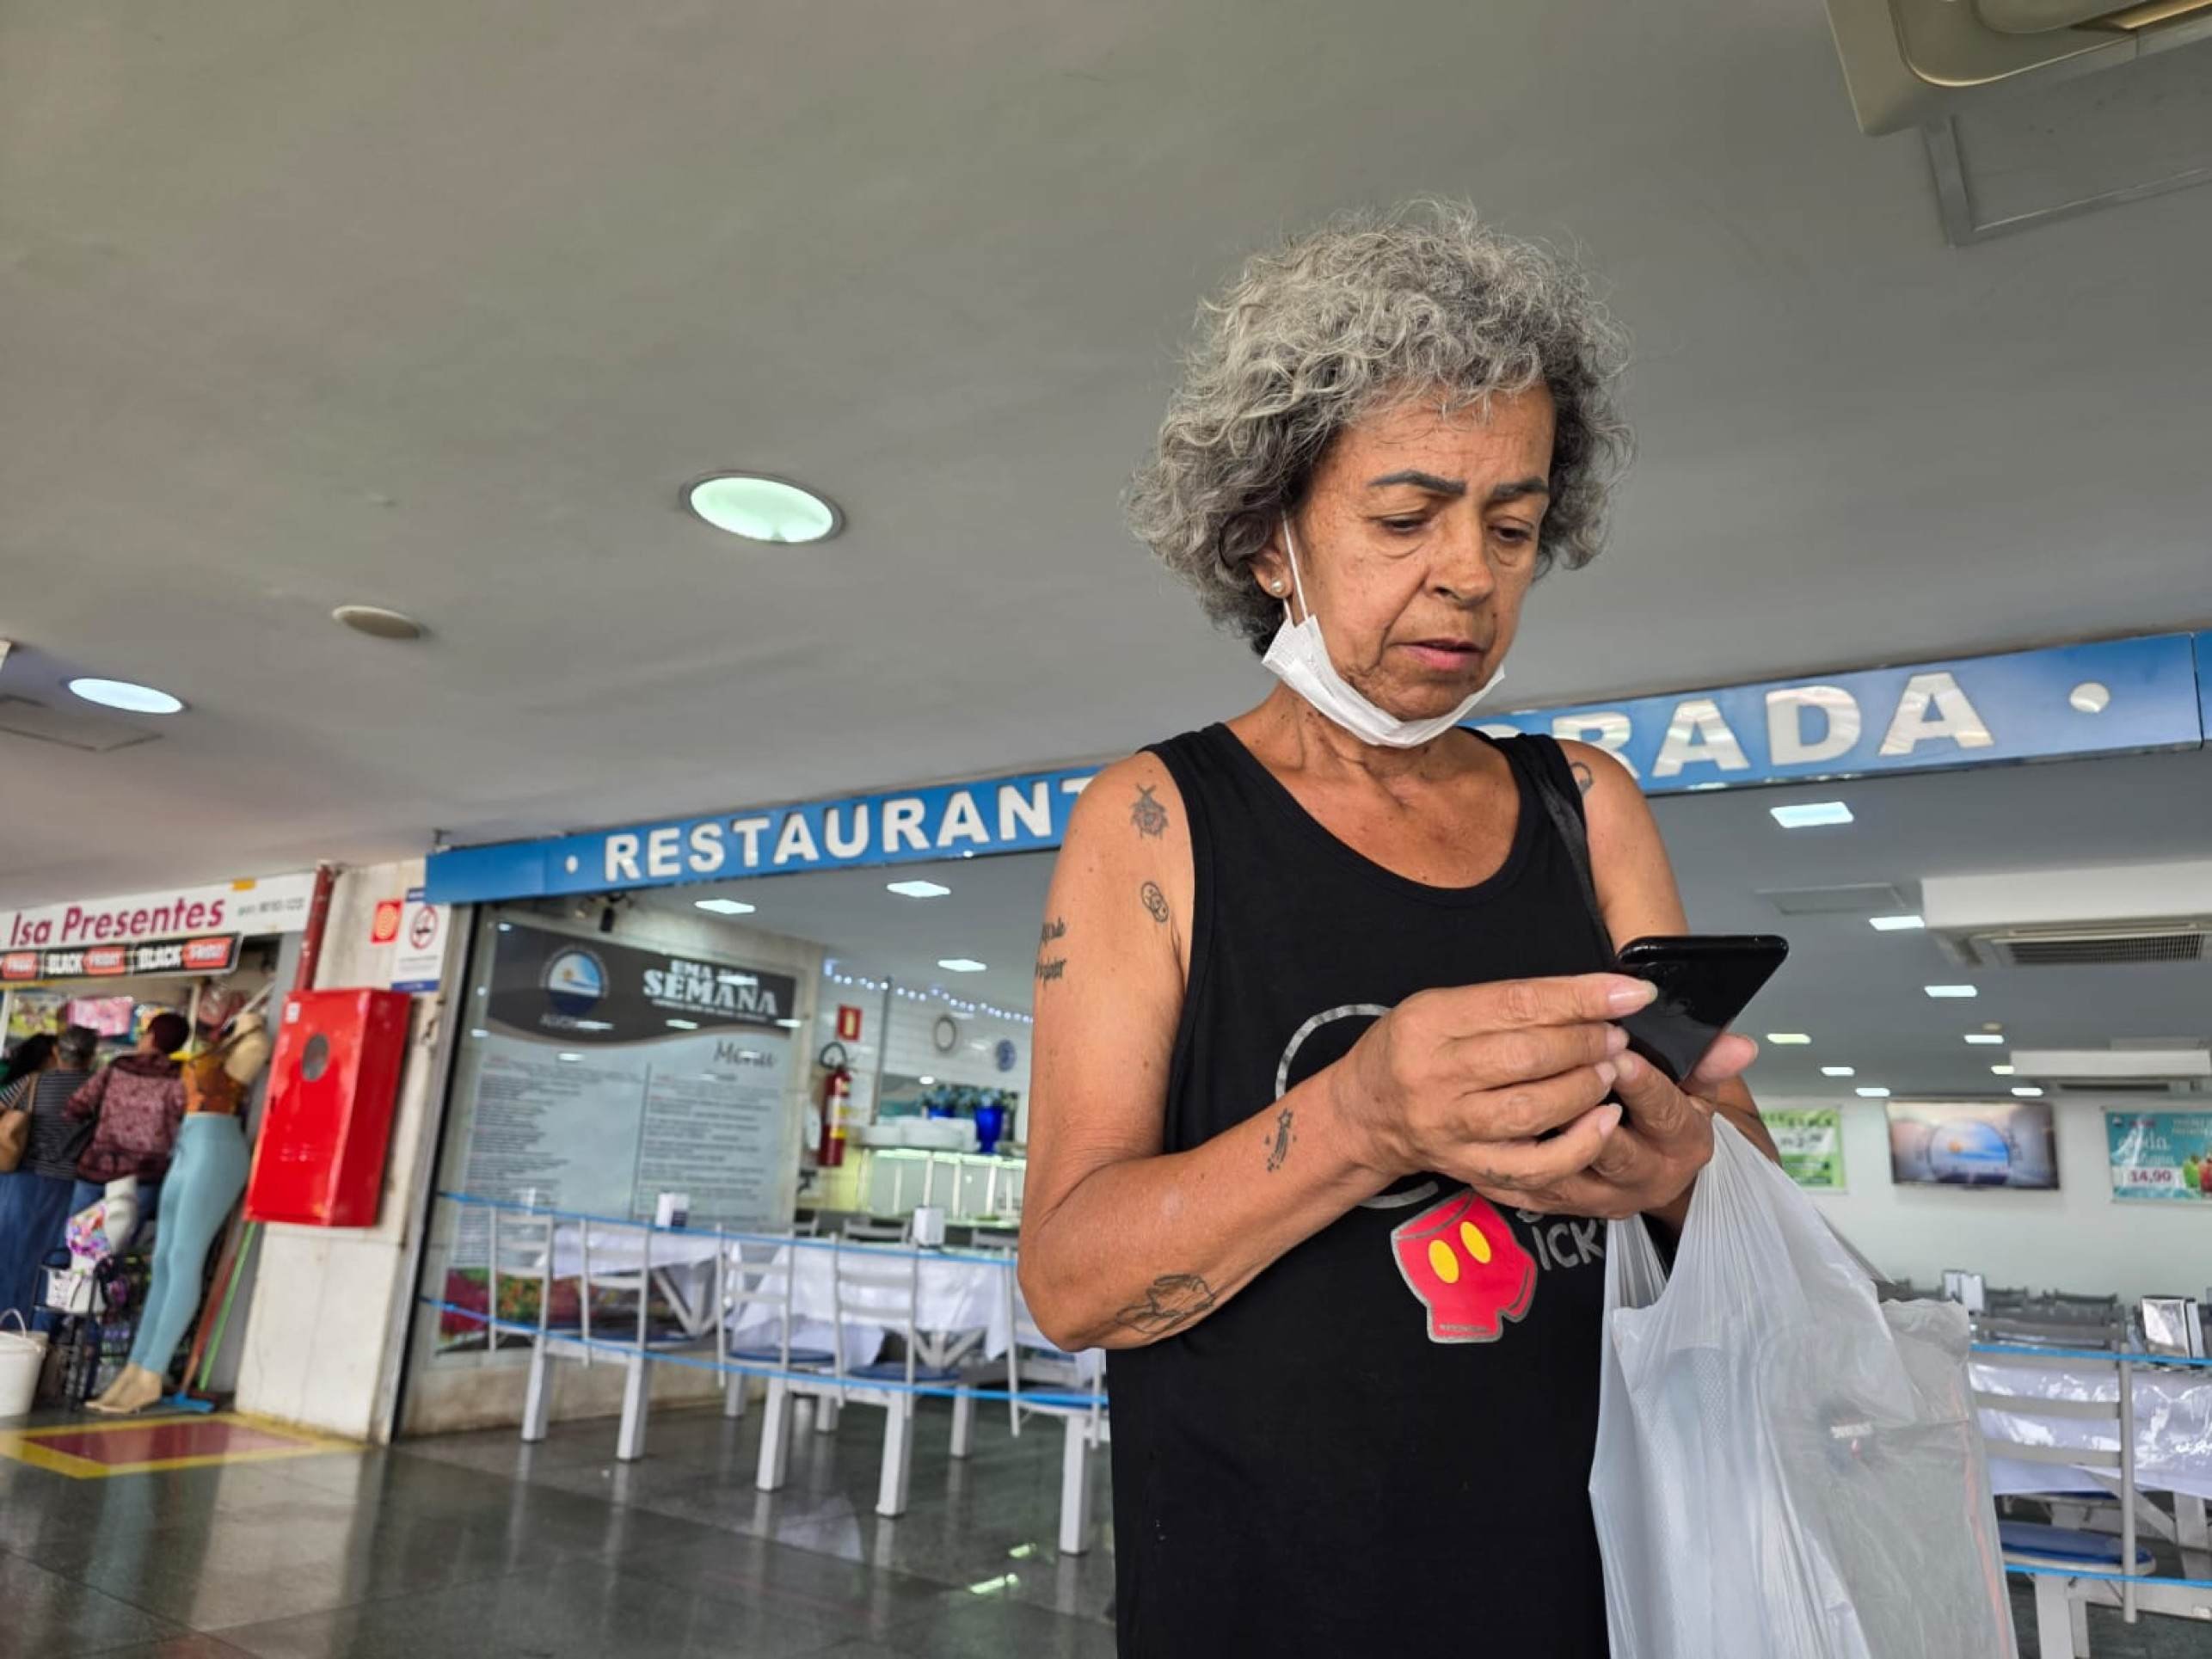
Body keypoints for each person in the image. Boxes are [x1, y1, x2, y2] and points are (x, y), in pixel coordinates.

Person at [1020, 202, 1779, 1657]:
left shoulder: (1588, 804)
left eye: (1511, 525)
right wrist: (1366, 1113)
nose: (1469, 575)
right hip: (1267, 1596)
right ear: (1265, 539)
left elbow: (1735, 1182)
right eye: (1402, 516)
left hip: (1596, 1579)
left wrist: (1681, 1164)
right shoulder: (1156, 823)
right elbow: (1070, 1278)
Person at [0, 1028, 97, 1322]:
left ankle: (5, 1322)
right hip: (73, 1186)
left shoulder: (31, 1084)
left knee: (10, 1252)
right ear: (91, 1056)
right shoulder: (99, 1089)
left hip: (23, 1181)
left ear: (57, 1051)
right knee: (58, 1261)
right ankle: (39, 1329)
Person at [65, 1011, 190, 1227]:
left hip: (99, 1166)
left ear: (151, 1037)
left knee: (77, 1237)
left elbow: (77, 1106)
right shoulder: (182, 1077)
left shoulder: (119, 1066)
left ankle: (65, 1262)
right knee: (117, 1242)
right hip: (144, 1174)